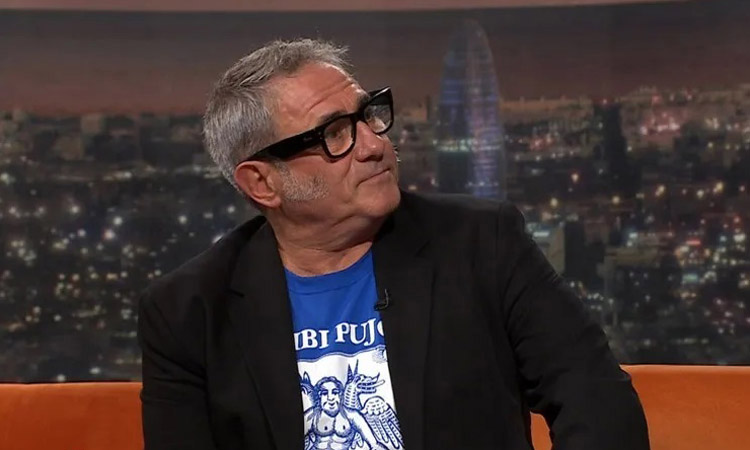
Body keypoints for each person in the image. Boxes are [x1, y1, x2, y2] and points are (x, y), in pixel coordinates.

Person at [138, 39, 650, 450]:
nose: (374, 144)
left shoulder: (481, 244)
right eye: (334, 134)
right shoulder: (188, 311)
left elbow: (595, 399)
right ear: (262, 183)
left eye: (369, 115)